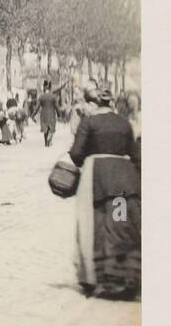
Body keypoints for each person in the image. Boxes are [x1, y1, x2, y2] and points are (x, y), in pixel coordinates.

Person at [68, 88, 140, 299]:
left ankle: (93, 277)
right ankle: (124, 276)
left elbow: (76, 153)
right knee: (120, 223)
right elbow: (135, 154)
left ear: (94, 104)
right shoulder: (124, 123)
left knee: (93, 224)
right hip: (122, 184)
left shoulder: (89, 123)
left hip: (96, 180)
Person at [38, 80, 60, 147]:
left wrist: (33, 115)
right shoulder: (53, 96)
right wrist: (59, 114)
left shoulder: (41, 96)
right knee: (51, 129)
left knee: (45, 130)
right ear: (50, 88)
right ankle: (49, 139)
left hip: (43, 115)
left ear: (44, 88)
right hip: (51, 114)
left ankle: (46, 143)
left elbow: (37, 107)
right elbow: (56, 106)